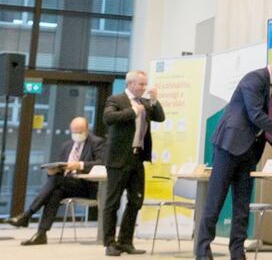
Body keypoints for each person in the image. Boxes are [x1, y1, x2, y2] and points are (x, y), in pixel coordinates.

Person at [195, 49, 272, 260]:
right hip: (229, 146)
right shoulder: (254, 79)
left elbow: (265, 127)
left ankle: (237, 253)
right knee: (215, 202)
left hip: (249, 152)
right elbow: (256, 115)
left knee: (242, 206)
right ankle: (202, 252)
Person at [4, 116, 106, 245]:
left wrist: (79, 165)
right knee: (55, 192)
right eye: (74, 132)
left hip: (88, 186)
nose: (76, 135)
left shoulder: (96, 142)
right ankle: (41, 233)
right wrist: (53, 171)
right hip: (67, 184)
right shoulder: (67, 146)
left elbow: (101, 162)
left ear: (86, 130)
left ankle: (27, 215)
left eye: (79, 132)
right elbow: (61, 168)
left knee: (57, 181)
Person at [102, 70, 165, 256]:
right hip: (118, 159)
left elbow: (160, 117)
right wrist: (132, 111)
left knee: (136, 200)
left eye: (145, 84)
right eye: (141, 84)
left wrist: (154, 101)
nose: (144, 87)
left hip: (138, 158)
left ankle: (125, 241)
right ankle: (110, 243)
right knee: (112, 202)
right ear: (130, 84)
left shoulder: (145, 103)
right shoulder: (116, 99)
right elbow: (108, 118)